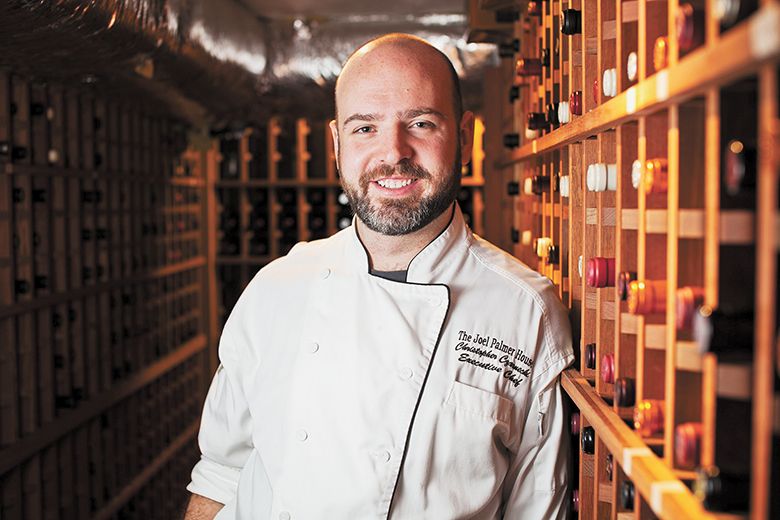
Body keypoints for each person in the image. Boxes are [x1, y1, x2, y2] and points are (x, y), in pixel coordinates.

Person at [184, 33, 574, 519]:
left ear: (467, 138)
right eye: (364, 128)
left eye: (421, 122)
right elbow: (221, 474)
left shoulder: (525, 312)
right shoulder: (274, 290)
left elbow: (536, 510)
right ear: (336, 144)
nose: (393, 152)